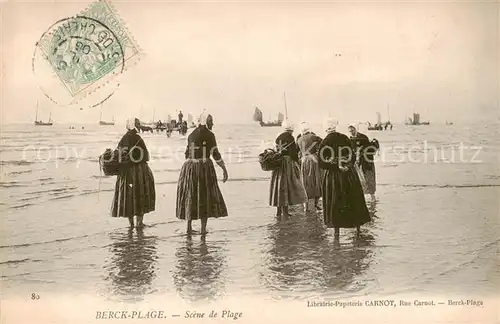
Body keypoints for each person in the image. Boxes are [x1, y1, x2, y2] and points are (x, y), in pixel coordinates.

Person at [176, 113, 229, 235]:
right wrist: (224, 169)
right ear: (206, 121)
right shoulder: (210, 135)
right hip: (203, 168)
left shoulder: (191, 134)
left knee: (191, 195)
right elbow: (215, 154)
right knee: (204, 197)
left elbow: (186, 154)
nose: (212, 124)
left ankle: (189, 228)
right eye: (211, 121)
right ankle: (203, 230)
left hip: (189, 167)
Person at [317, 118, 370, 239]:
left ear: (326, 129)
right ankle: (357, 230)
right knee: (353, 200)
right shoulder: (345, 137)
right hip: (349, 174)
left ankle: (336, 234)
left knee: (335, 203)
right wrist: (345, 164)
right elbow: (352, 156)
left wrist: (336, 165)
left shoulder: (325, 141)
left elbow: (321, 163)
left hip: (333, 176)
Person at [111, 118, 156, 228]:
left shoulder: (124, 138)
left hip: (125, 172)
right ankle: (139, 223)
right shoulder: (137, 138)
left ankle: (131, 224)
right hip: (139, 171)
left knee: (128, 197)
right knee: (141, 195)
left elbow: (118, 154)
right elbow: (146, 156)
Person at [269, 120, 307, 219]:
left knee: (278, 186)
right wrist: (296, 160)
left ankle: (278, 211)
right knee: (286, 186)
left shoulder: (279, 137)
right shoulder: (290, 137)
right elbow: (293, 153)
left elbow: (278, 149)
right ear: (291, 129)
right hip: (287, 163)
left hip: (278, 163)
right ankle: (285, 212)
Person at [296, 122, 323, 211]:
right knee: (316, 181)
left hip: (304, 161)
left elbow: (297, 151)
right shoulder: (314, 137)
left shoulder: (299, 139)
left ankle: (306, 207)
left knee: (305, 182)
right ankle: (316, 204)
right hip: (314, 160)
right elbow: (323, 143)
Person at [348, 124, 377, 200]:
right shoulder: (350, 139)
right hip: (358, 162)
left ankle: (372, 196)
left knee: (369, 178)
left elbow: (369, 149)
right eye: (350, 131)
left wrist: (360, 151)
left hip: (367, 162)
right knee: (360, 179)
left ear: (356, 129)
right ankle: (363, 197)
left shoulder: (363, 137)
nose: (351, 132)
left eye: (353, 130)